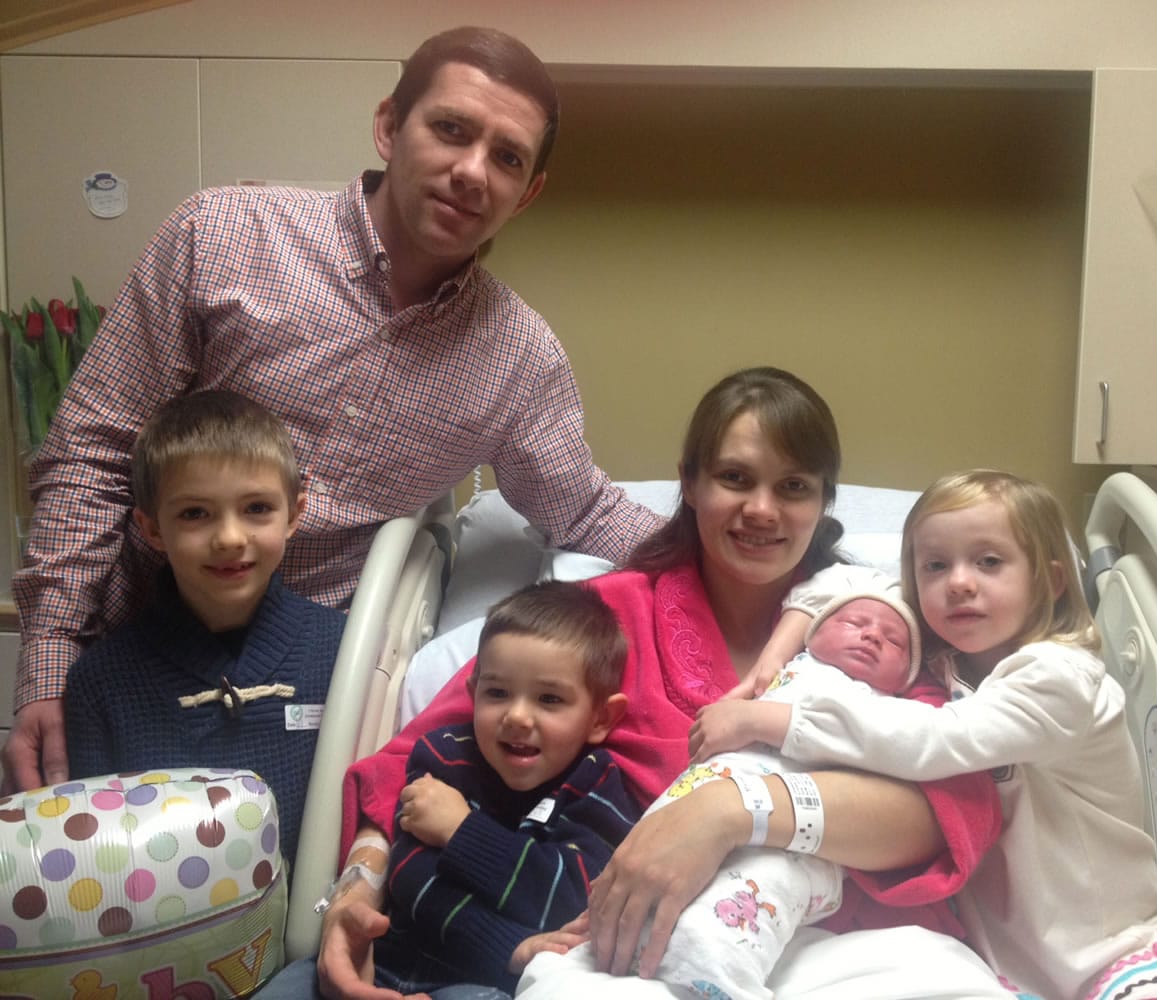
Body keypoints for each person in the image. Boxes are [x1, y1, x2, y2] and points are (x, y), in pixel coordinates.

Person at [4, 25, 663, 795]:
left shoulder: (517, 359)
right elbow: (92, 447)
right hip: (125, 637)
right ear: (389, 125)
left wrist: (766, 571)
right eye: (450, 129)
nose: (471, 171)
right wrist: (49, 661)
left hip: (311, 682)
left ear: (529, 192)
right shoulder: (219, 237)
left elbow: (583, 510)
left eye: (507, 157)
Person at [318, 368, 1007, 1000]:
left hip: (854, 943)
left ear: (825, 500)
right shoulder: (604, 619)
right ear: (689, 483)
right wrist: (359, 888)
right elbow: (414, 760)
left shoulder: (882, 632)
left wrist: (725, 811)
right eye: (735, 478)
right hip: (651, 957)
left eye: (793, 486)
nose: (762, 510)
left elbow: (946, 811)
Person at [710, 469, 1157, 1000]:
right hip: (1004, 967)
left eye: (989, 562)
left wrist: (777, 718)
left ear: (1051, 580)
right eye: (936, 566)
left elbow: (938, 741)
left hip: (1116, 956)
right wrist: (773, 658)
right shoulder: (948, 665)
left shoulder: (1060, 677)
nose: (959, 582)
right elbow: (841, 585)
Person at [259, 580, 639, 999]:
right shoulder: (443, 757)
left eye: (549, 699)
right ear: (473, 694)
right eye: (497, 693)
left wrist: (464, 831)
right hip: (388, 957)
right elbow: (410, 877)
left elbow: (572, 896)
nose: (516, 716)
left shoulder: (595, 784)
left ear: (602, 718)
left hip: (486, 982)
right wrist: (509, 938)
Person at [643, 572, 976, 1000]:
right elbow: (827, 587)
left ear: (907, 676)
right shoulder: (785, 673)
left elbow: (909, 746)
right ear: (812, 634)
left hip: (803, 838)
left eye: (894, 641)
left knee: (738, 913)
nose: (872, 635)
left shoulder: (897, 710)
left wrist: (761, 723)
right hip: (712, 788)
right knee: (652, 863)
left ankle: (719, 982)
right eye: (853, 623)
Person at [62, 390, 345, 865]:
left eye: (257, 508)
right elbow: (97, 860)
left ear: (295, 514)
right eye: (195, 513)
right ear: (152, 529)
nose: (230, 538)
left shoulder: (344, 654)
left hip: (316, 932)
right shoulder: (100, 684)